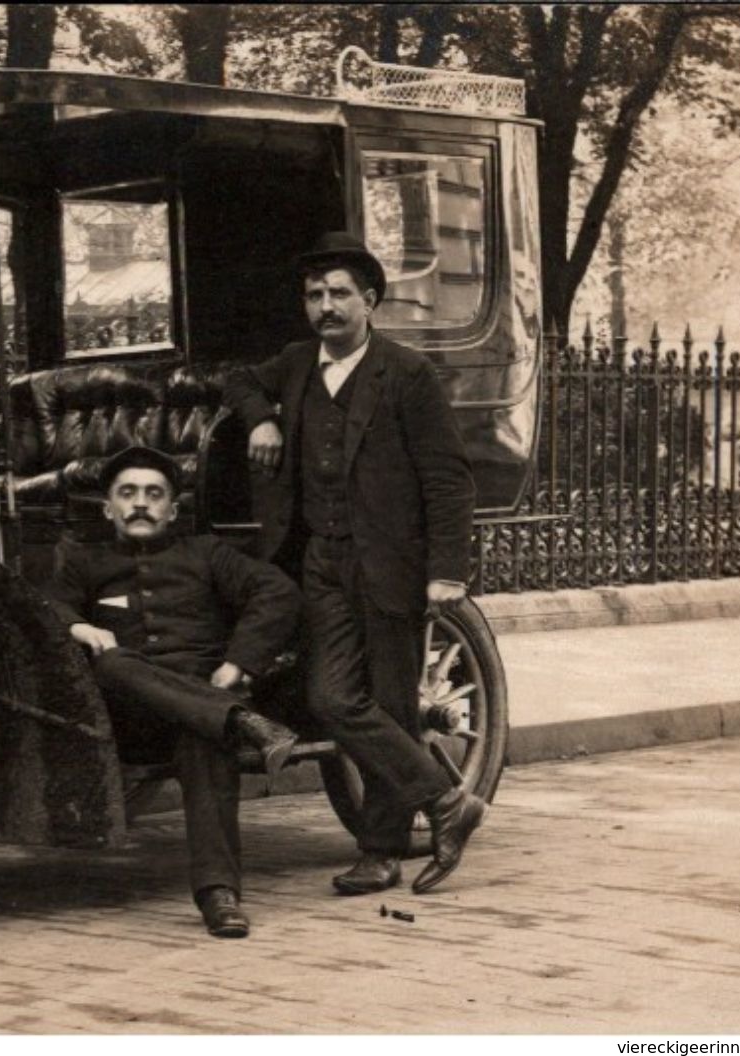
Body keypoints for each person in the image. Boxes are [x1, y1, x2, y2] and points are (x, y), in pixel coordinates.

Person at [222, 231, 485, 897]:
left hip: (390, 564)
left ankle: (379, 851)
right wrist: (260, 419)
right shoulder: (294, 364)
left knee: (393, 706)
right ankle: (447, 802)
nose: (325, 306)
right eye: (314, 295)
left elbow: (447, 478)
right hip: (320, 561)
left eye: (339, 293)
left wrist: (446, 571)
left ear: (369, 301)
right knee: (329, 696)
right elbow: (237, 380)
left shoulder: (405, 374)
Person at [44, 445, 302, 939]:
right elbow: (44, 605)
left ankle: (219, 896)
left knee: (203, 740)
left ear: (173, 509)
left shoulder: (206, 553)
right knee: (114, 662)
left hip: (198, 706)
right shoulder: (84, 563)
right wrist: (79, 627)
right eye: (128, 494)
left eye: (154, 494)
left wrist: (239, 662)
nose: (140, 503)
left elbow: (278, 592)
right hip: (129, 721)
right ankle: (240, 720)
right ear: (108, 508)